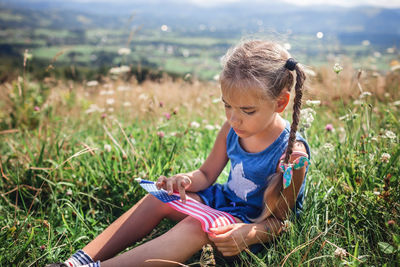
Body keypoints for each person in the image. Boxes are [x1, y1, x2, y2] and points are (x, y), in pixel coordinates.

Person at [47, 40, 311, 267]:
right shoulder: (231, 129)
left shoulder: (291, 155)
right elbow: (207, 174)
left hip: (247, 230)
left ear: (280, 103)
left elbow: (282, 223)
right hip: (224, 204)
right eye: (227, 106)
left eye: (247, 110)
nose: (234, 118)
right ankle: (75, 262)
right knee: (161, 197)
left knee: (196, 227)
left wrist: (249, 234)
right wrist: (184, 180)